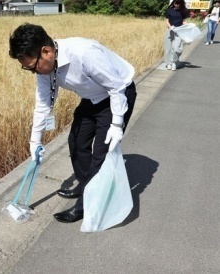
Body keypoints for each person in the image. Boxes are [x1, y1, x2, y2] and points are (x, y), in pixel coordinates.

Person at [9, 23, 137, 223]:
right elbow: (43, 104)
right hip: (91, 98)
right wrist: (35, 142)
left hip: (117, 95)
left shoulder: (83, 52)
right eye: (27, 68)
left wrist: (117, 124)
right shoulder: (45, 69)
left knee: (101, 154)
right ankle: (86, 184)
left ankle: (87, 205)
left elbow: (116, 85)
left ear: (46, 51)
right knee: (77, 141)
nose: (33, 71)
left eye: (32, 66)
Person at [164, 0, 189, 71]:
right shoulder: (169, 10)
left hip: (179, 31)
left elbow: (183, 21)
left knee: (177, 49)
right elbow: (167, 20)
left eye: (179, 4)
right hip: (170, 31)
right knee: (168, 48)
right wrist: (170, 27)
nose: (177, 5)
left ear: (181, 4)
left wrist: (188, 25)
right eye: (176, 3)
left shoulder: (184, 11)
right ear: (173, 3)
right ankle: (169, 63)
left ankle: (174, 62)